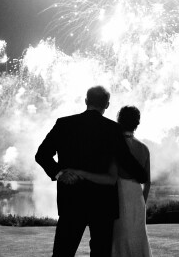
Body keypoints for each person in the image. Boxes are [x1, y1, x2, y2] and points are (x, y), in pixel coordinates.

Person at [35, 86, 147, 257]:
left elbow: (42, 155)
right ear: (107, 105)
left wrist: (60, 173)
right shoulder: (112, 129)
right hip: (103, 204)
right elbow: (126, 161)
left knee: (63, 253)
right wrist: (142, 175)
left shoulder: (64, 124)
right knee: (101, 253)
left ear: (86, 101)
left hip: (71, 200)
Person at [111, 105, 153, 257]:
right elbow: (147, 183)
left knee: (119, 236)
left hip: (119, 195)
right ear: (137, 123)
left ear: (119, 121)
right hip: (137, 198)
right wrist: (142, 202)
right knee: (138, 237)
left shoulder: (113, 145)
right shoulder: (144, 148)